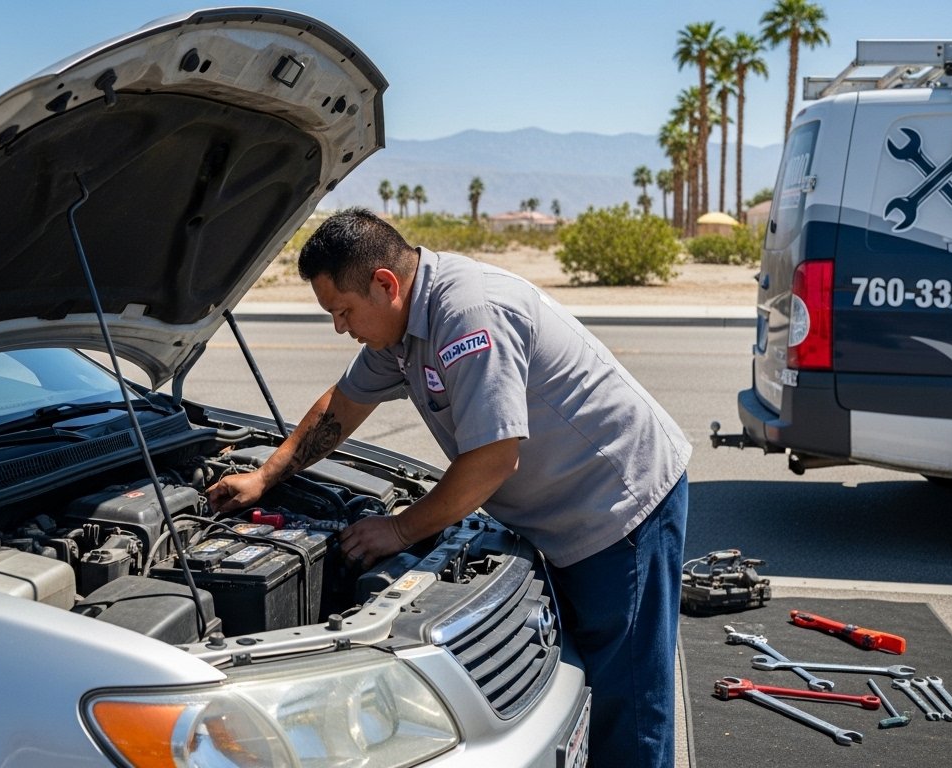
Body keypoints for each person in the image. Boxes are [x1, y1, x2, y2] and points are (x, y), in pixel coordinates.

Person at [206, 207, 691, 767]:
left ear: (385, 284)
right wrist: (266, 476)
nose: (340, 327)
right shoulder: (401, 332)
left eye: (343, 311)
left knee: (627, 707)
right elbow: (342, 406)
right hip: (558, 511)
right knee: (580, 692)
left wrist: (400, 529)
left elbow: (491, 460)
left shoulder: (467, 313)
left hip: (618, 509)